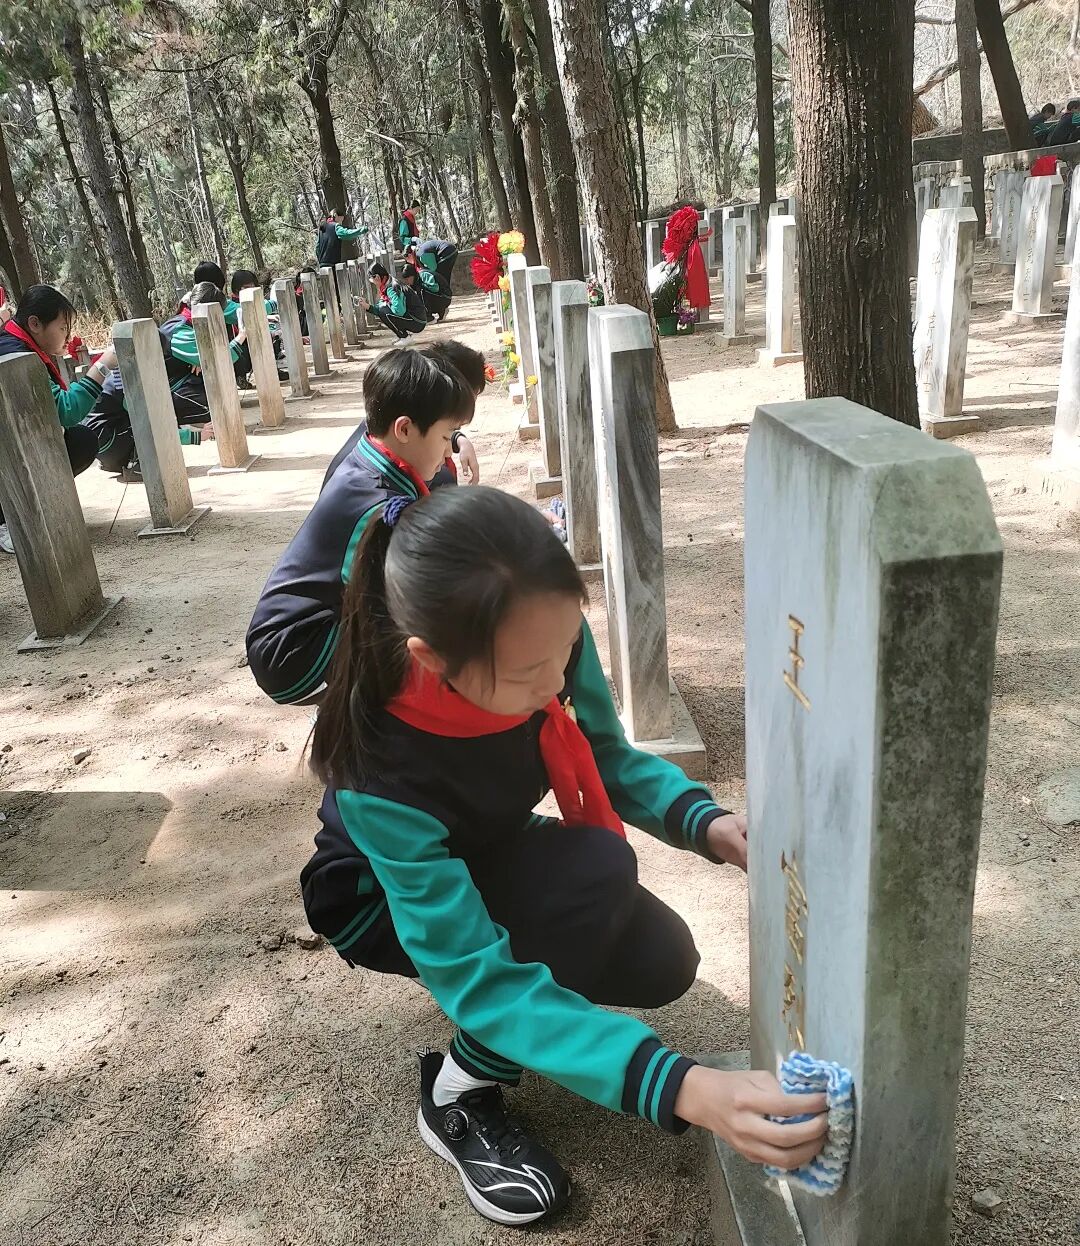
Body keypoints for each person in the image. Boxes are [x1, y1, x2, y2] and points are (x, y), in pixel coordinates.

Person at [300, 486, 828, 1226]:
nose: (555, 685)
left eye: (566, 650)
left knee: (662, 959)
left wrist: (708, 824)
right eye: (527, 677)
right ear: (432, 658)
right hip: (378, 900)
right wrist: (684, 1087)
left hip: (488, 845)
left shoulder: (538, 633)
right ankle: (457, 1092)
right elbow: (475, 972)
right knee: (594, 875)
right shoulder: (381, 773)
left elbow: (604, 750)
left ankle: (543, 1013)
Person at [246, 347, 475, 705]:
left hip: (305, 632)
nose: (449, 454)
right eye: (446, 438)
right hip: (297, 651)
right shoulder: (379, 506)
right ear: (404, 429)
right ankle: (354, 716)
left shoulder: (372, 454)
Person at [0, 285, 112, 554]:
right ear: (35, 324)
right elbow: (66, 410)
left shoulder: (14, 343)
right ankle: (9, 520)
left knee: (77, 439)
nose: (67, 336)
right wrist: (103, 366)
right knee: (79, 443)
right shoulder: (16, 355)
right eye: (62, 328)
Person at [322, 341, 485, 489]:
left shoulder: (381, 424)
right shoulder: (390, 499)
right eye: (446, 435)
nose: (448, 452)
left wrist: (456, 438)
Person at [362, 265, 428, 339]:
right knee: (383, 309)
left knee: (384, 310)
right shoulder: (387, 284)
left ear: (377, 277)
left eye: (373, 280)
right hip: (417, 319)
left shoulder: (392, 288)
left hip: (418, 322)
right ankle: (403, 336)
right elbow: (380, 308)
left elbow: (399, 311)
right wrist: (367, 306)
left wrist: (387, 304)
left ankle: (404, 337)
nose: (374, 283)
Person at [406, 238, 458, 322]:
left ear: (409, 255)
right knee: (443, 279)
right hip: (451, 251)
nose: (408, 262)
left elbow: (433, 268)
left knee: (439, 279)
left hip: (446, 251)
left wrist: (426, 280)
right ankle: (442, 308)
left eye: (407, 259)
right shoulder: (419, 253)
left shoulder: (420, 254)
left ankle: (442, 306)